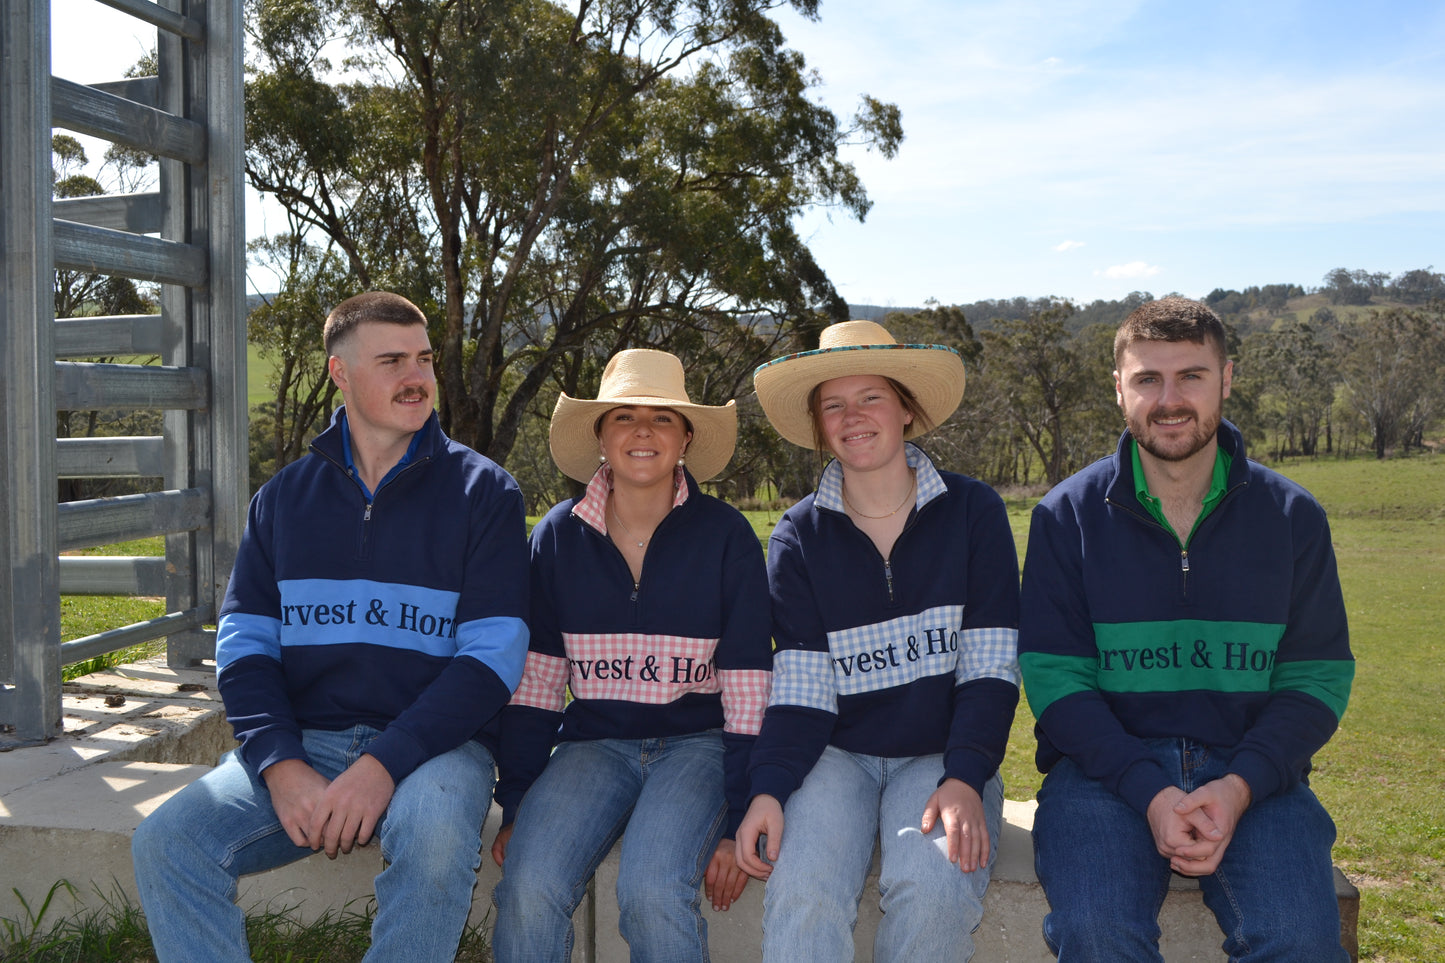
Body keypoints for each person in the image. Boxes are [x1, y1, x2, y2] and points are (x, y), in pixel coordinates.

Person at [132, 291, 530, 962]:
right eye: (392, 359)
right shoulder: (283, 500)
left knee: (434, 844)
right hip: (306, 743)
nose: (417, 376)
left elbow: (491, 661)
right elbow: (245, 650)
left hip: (437, 749)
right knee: (168, 840)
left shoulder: (484, 493)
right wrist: (280, 764)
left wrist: (382, 764)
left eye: (425, 358)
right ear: (339, 373)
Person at [1018, 296, 1355, 962]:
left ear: (1225, 379)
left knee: (1300, 937)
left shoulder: (1292, 517)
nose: (1168, 398)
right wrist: (1150, 790)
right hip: (1102, 775)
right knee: (1096, 933)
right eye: (1147, 378)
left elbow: (1314, 678)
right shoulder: (1065, 516)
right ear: (1118, 387)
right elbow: (1056, 681)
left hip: (1252, 771)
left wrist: (1237, 786)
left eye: (1190, 376)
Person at [737, 320, 1021, 962]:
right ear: (818, 426)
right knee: (804, 887)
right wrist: (770, 789)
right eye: (832, 405)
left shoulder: (974, 514)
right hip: (836, 756)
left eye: (871, 397)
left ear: (906, 409)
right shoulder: (798, 537)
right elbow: (802, 691)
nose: (852, 416)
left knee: (933, 887)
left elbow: (990, 667)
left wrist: (966, 774)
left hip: (941, 753)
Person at [489, 349, 772, 962]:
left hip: (699, 746)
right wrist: (518, 803)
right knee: (529, 885)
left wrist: (738, 818)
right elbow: (537, 682)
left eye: (663, 418)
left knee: (650, 892)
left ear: (686, 438)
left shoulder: (726, 536)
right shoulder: (559, 536)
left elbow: (751, 685)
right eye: (623, 416)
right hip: (594, 746)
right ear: (600, 436)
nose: (643, 430)